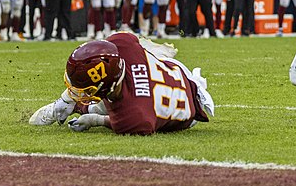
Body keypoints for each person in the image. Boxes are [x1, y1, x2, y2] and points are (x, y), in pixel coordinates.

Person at [27, 33, 214, 135]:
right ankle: (67, 105)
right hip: (175, 71)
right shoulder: (122, 46)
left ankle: (80, 108)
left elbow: (136, 122)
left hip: (189, 111)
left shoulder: (135, 115)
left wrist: (95, 121)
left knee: (97, 110)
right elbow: (129, 40)